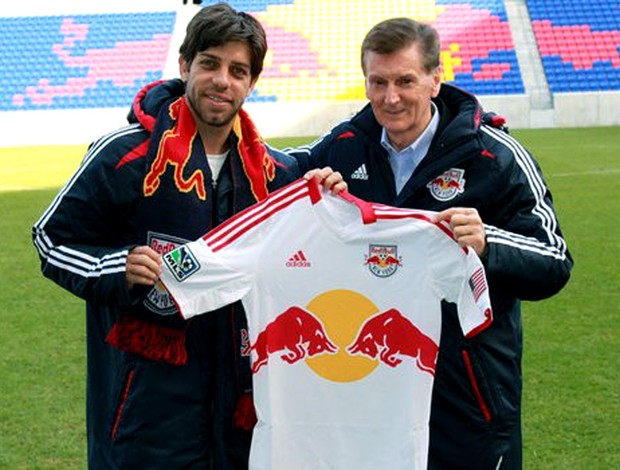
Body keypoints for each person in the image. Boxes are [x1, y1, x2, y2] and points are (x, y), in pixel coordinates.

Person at [32, 3, 343, 469]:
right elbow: (51, 239)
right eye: (211, 64)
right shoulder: (125, 155)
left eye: (238, 71)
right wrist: (115, 267)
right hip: (147, 410)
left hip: (241, 406)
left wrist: (326, 193)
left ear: (252, 83)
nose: (223, 81)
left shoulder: (274, 173)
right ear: (185, 65)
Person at [288, 17, 573, 469]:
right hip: (372, 387)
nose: (390, 97)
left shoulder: (492, 156)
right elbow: (270, 170)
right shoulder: (344, 146)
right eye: (377, 82)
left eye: (405, 80)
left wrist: (487, 242)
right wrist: (310, 184)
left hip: (467, 397)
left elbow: (555, 261)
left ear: (435, 79)